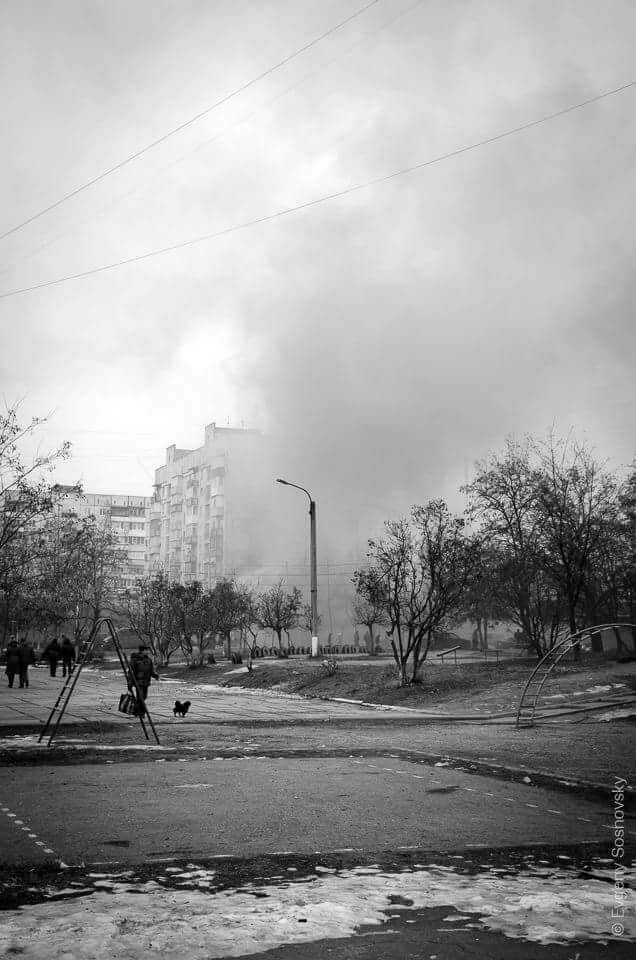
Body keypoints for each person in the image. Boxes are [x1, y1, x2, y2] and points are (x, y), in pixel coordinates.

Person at [129, 645, 159, 711]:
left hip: (146, 682)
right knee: (140, 697)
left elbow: (151, 670)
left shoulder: (148, 660)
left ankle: (136, 709)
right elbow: (131, 672)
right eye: (147, 650)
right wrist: (130, 684)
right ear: (143, 651)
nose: (148, 652)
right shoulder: (135, 660)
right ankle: (141, 711)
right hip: (138, 682)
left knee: (144, 697)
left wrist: (155, 676)